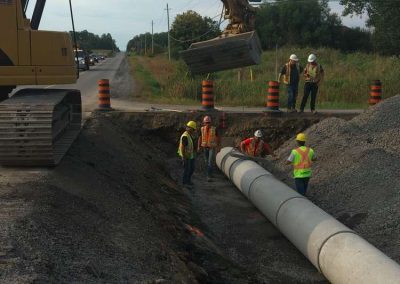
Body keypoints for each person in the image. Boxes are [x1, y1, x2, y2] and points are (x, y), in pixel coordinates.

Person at [197, 116, 220, 182]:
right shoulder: (202, 129)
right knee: (206, 161)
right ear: (204, 123)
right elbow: (200, 138)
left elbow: (218, 138)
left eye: (209, 122)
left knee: (209, 161)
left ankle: (208, 176)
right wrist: (198, 146)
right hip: (205, 147)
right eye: (206, 122)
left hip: (211, 148)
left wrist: (218, 146)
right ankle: (209, 173)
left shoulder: (214, 129)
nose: (208, 124)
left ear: (211, 122)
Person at [178, 121, 197, 188]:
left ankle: (188, 181)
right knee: (187, 169)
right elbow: (183, 147)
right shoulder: (185, 136)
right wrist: (183, 157)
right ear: (189, 128)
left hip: (190, 155)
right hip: (186, 156)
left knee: (191, 169)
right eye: (193, 129)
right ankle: (185, 182)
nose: (193, 131)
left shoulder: (189, 135)